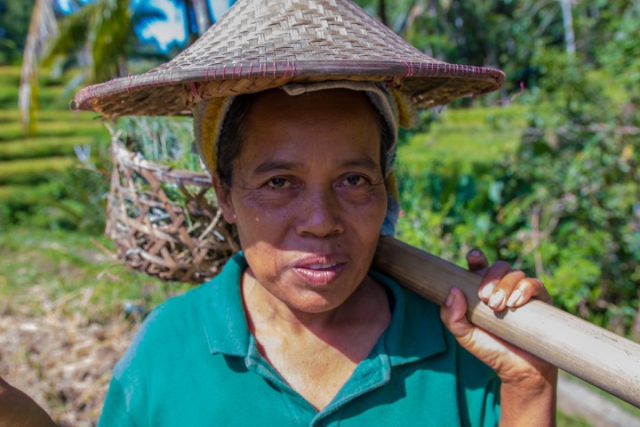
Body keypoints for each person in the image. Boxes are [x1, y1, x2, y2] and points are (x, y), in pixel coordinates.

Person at [2, 0, 557, 425]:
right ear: (224, 192)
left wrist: (530, 387)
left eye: (354, 180)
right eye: (279, 182)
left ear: (386, 186)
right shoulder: (168, 352)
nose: (321, 220)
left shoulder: (465, 352)